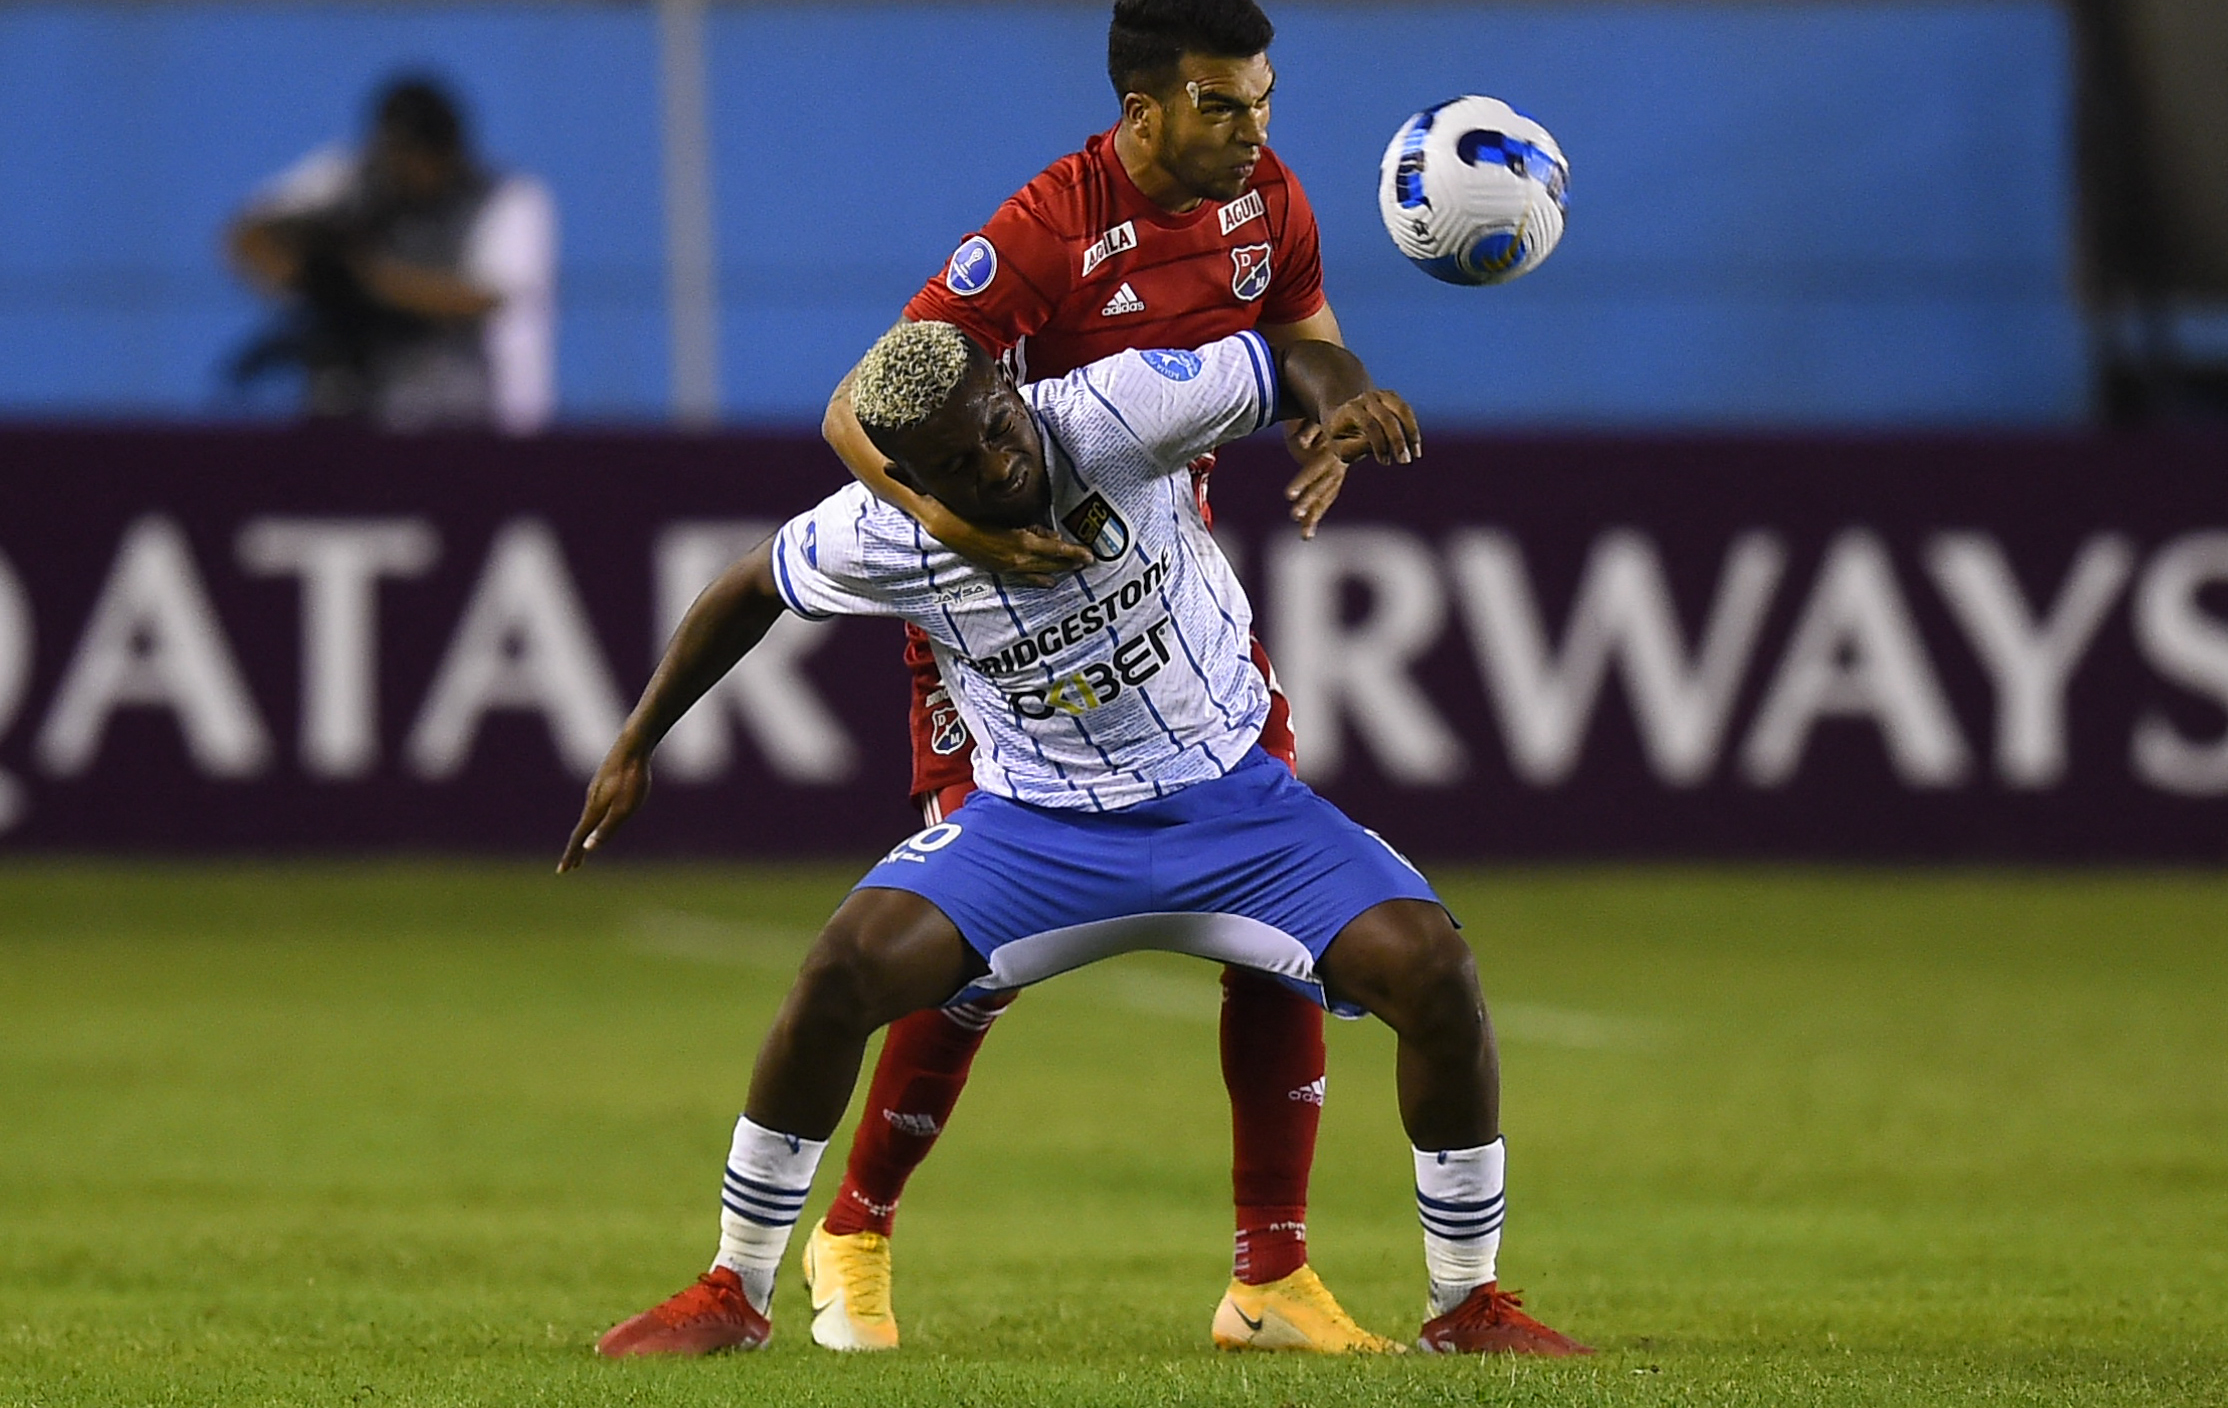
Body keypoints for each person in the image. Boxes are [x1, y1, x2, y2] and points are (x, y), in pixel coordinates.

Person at [566, 320, 1589, 1359]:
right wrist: (634, 745)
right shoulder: (886, 533)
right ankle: (734, 1290)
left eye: (998, 429)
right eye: (957, 468)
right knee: (840, 970)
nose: (999, 463)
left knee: (1434, 966)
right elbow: (745, 586)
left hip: (1234, 806)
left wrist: (1341, 400)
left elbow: (1286, 358)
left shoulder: (1111, 412)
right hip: (1031, 830)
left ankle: (1463, 1306)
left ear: (1012, 390)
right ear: (912, 482)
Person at [810, 0, 1390, 1354]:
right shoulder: (1043, 230)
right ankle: (852, 1236)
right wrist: (954, 527)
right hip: (1000, 629)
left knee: (1285, 927)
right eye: (1221, 104)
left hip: (1169, 599)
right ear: (1143, 109)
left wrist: (1338, 423)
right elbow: (858, 405)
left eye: (1263, 101)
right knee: (970, 958)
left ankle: (1271, 1280)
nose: (1253, 131)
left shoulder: (1272, 203)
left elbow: (1309, 348)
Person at [225, 75, 556, 434]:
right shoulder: (348, 176)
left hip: (453, 410)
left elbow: (485, 297)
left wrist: (366, 279)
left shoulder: (503, 197)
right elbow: (249, 235)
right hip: (351, 398)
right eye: (396, 151)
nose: (406, 167)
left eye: (417, 154)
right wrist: (307, 272)